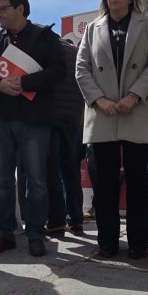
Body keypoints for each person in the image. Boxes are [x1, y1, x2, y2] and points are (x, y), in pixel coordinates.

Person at [75, 0, 148, 260]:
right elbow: (82, 68)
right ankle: (107, 242)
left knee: (138, 179)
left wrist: (133, 95)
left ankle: (139, 244)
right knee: (104, 183)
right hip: (103, 114)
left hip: (136, 110)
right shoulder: (92, 28)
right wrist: (100, 100)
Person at [0, 0, 65, 256]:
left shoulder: (44, 37)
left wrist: (24, 82)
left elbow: (58, 71)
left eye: (2, 8)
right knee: (1, 179)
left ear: (20, 8)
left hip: (34, 120)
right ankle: (4, 232)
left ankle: (36, 233)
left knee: (36, 179)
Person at [45, 35, 86, 237]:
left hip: (52, 115)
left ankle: (56, 222)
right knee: (71, 170)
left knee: (52, 169)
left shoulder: (50, 49)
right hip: (74, 118)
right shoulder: (77, 54)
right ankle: (76, 220)